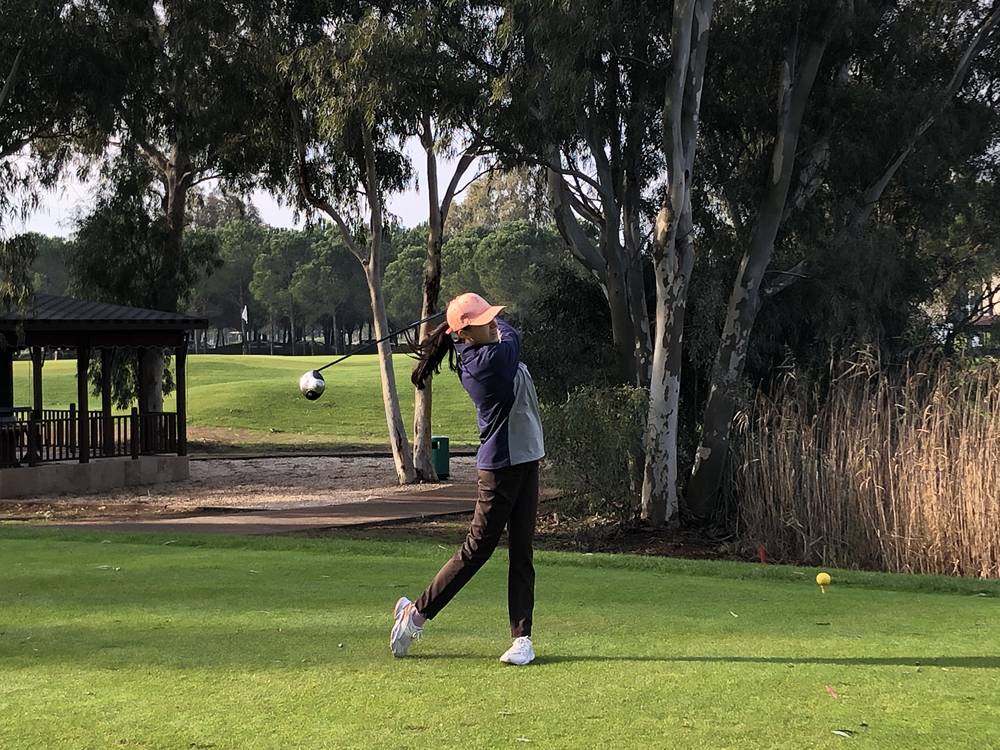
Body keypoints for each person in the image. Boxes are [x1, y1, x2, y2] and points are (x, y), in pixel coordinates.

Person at [390, 292, 545, 666]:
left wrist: (465, 319)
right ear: (464, 335)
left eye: (490, 318)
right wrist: (463, 322)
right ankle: (416, 615)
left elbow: (501, 329)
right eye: (481, 322)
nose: (491, 324)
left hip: (526, 459)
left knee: (522, 551)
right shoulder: (486, 363)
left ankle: (522, 639)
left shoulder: (481, 344)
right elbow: (514, 335)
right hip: (502, 467)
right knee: (477, 550)